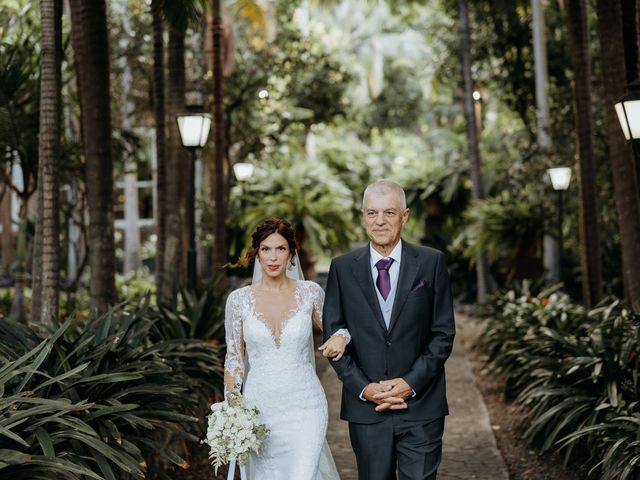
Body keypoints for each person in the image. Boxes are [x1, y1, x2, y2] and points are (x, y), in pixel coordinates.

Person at [322, 179, 456, 480]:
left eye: (389, 213)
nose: (379, 221)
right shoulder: (342, 268)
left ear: (404, 216)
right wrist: (365, 388)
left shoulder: (432, 262)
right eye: (371, 213)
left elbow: (443, 333)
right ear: (362, 216)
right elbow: (333, 335)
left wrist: (410, 383)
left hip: (421, 406)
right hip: (366, 411)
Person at [223, 217, 349, 479]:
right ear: (257, 253)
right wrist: (233, 413)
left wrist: (343, 337)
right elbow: (234, 360)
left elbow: (337, 328)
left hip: (306, 406)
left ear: (292, 253)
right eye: (266, 249)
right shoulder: (238, 301)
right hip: (259, 410)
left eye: (280, 249)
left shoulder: (310, 293)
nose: (273, 256)